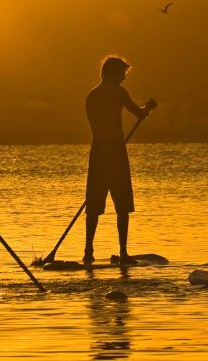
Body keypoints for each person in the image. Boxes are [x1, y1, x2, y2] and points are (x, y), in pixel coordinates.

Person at [84, 56, 156, 265]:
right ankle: (123, 252)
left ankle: (88, 251)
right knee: (122, 204)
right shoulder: (118, 93)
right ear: (113, 73)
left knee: (94, 204)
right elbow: (140, 114)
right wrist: (149, 107)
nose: (124, 78)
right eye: (122, 74)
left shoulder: (91, 95)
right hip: (115, 150)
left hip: (98, 151)